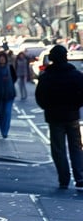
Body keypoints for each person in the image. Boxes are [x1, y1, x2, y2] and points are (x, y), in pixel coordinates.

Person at [35, 45, 83, 190]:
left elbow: (40, 96)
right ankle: (80, 177)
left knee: (58, 149)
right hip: (72, 115)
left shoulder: (47, 76)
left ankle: (64, 179)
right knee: (76, 148)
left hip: (54, 117)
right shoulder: (76, 75)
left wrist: (48, 107)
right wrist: (76, 105)